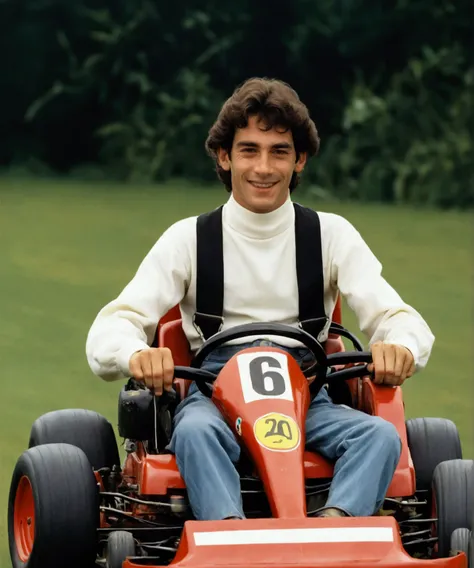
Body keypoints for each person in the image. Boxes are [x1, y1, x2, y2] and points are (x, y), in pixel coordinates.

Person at [86, 77, 434, 521]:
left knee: (381, 437)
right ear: (225, 156)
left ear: (300, 161)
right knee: (192, 432)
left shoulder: (331, 235)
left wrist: (400, 346)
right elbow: (110, 328)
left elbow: (400, 318)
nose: (263, 168)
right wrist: (136, 353)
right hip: (212, 395)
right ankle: (228, 533)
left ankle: (334, 527)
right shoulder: (188, 239)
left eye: (279, 151)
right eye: (249, 150)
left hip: (309, 394)